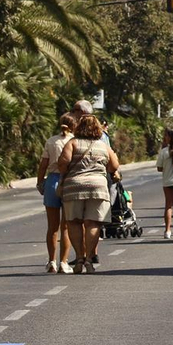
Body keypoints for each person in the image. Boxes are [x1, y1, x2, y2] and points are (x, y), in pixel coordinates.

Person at [57, 114, 119, 274]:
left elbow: (63, 163)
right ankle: (89, 260)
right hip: (98, 187)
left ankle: (79, 259)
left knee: (74, 222)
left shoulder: (72, 143)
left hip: (74, 187)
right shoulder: (103, 146)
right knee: (93, 224)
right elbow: (114, 166)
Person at [37, 113, 77, 273]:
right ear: (74, 126)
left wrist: (40, 182)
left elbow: (43, 164)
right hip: (68, 180)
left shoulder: (51, 141)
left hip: (52, 180)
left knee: (52, 227)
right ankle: (63, 262)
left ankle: (51, 261)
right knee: (65, 226)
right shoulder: (75, 141)